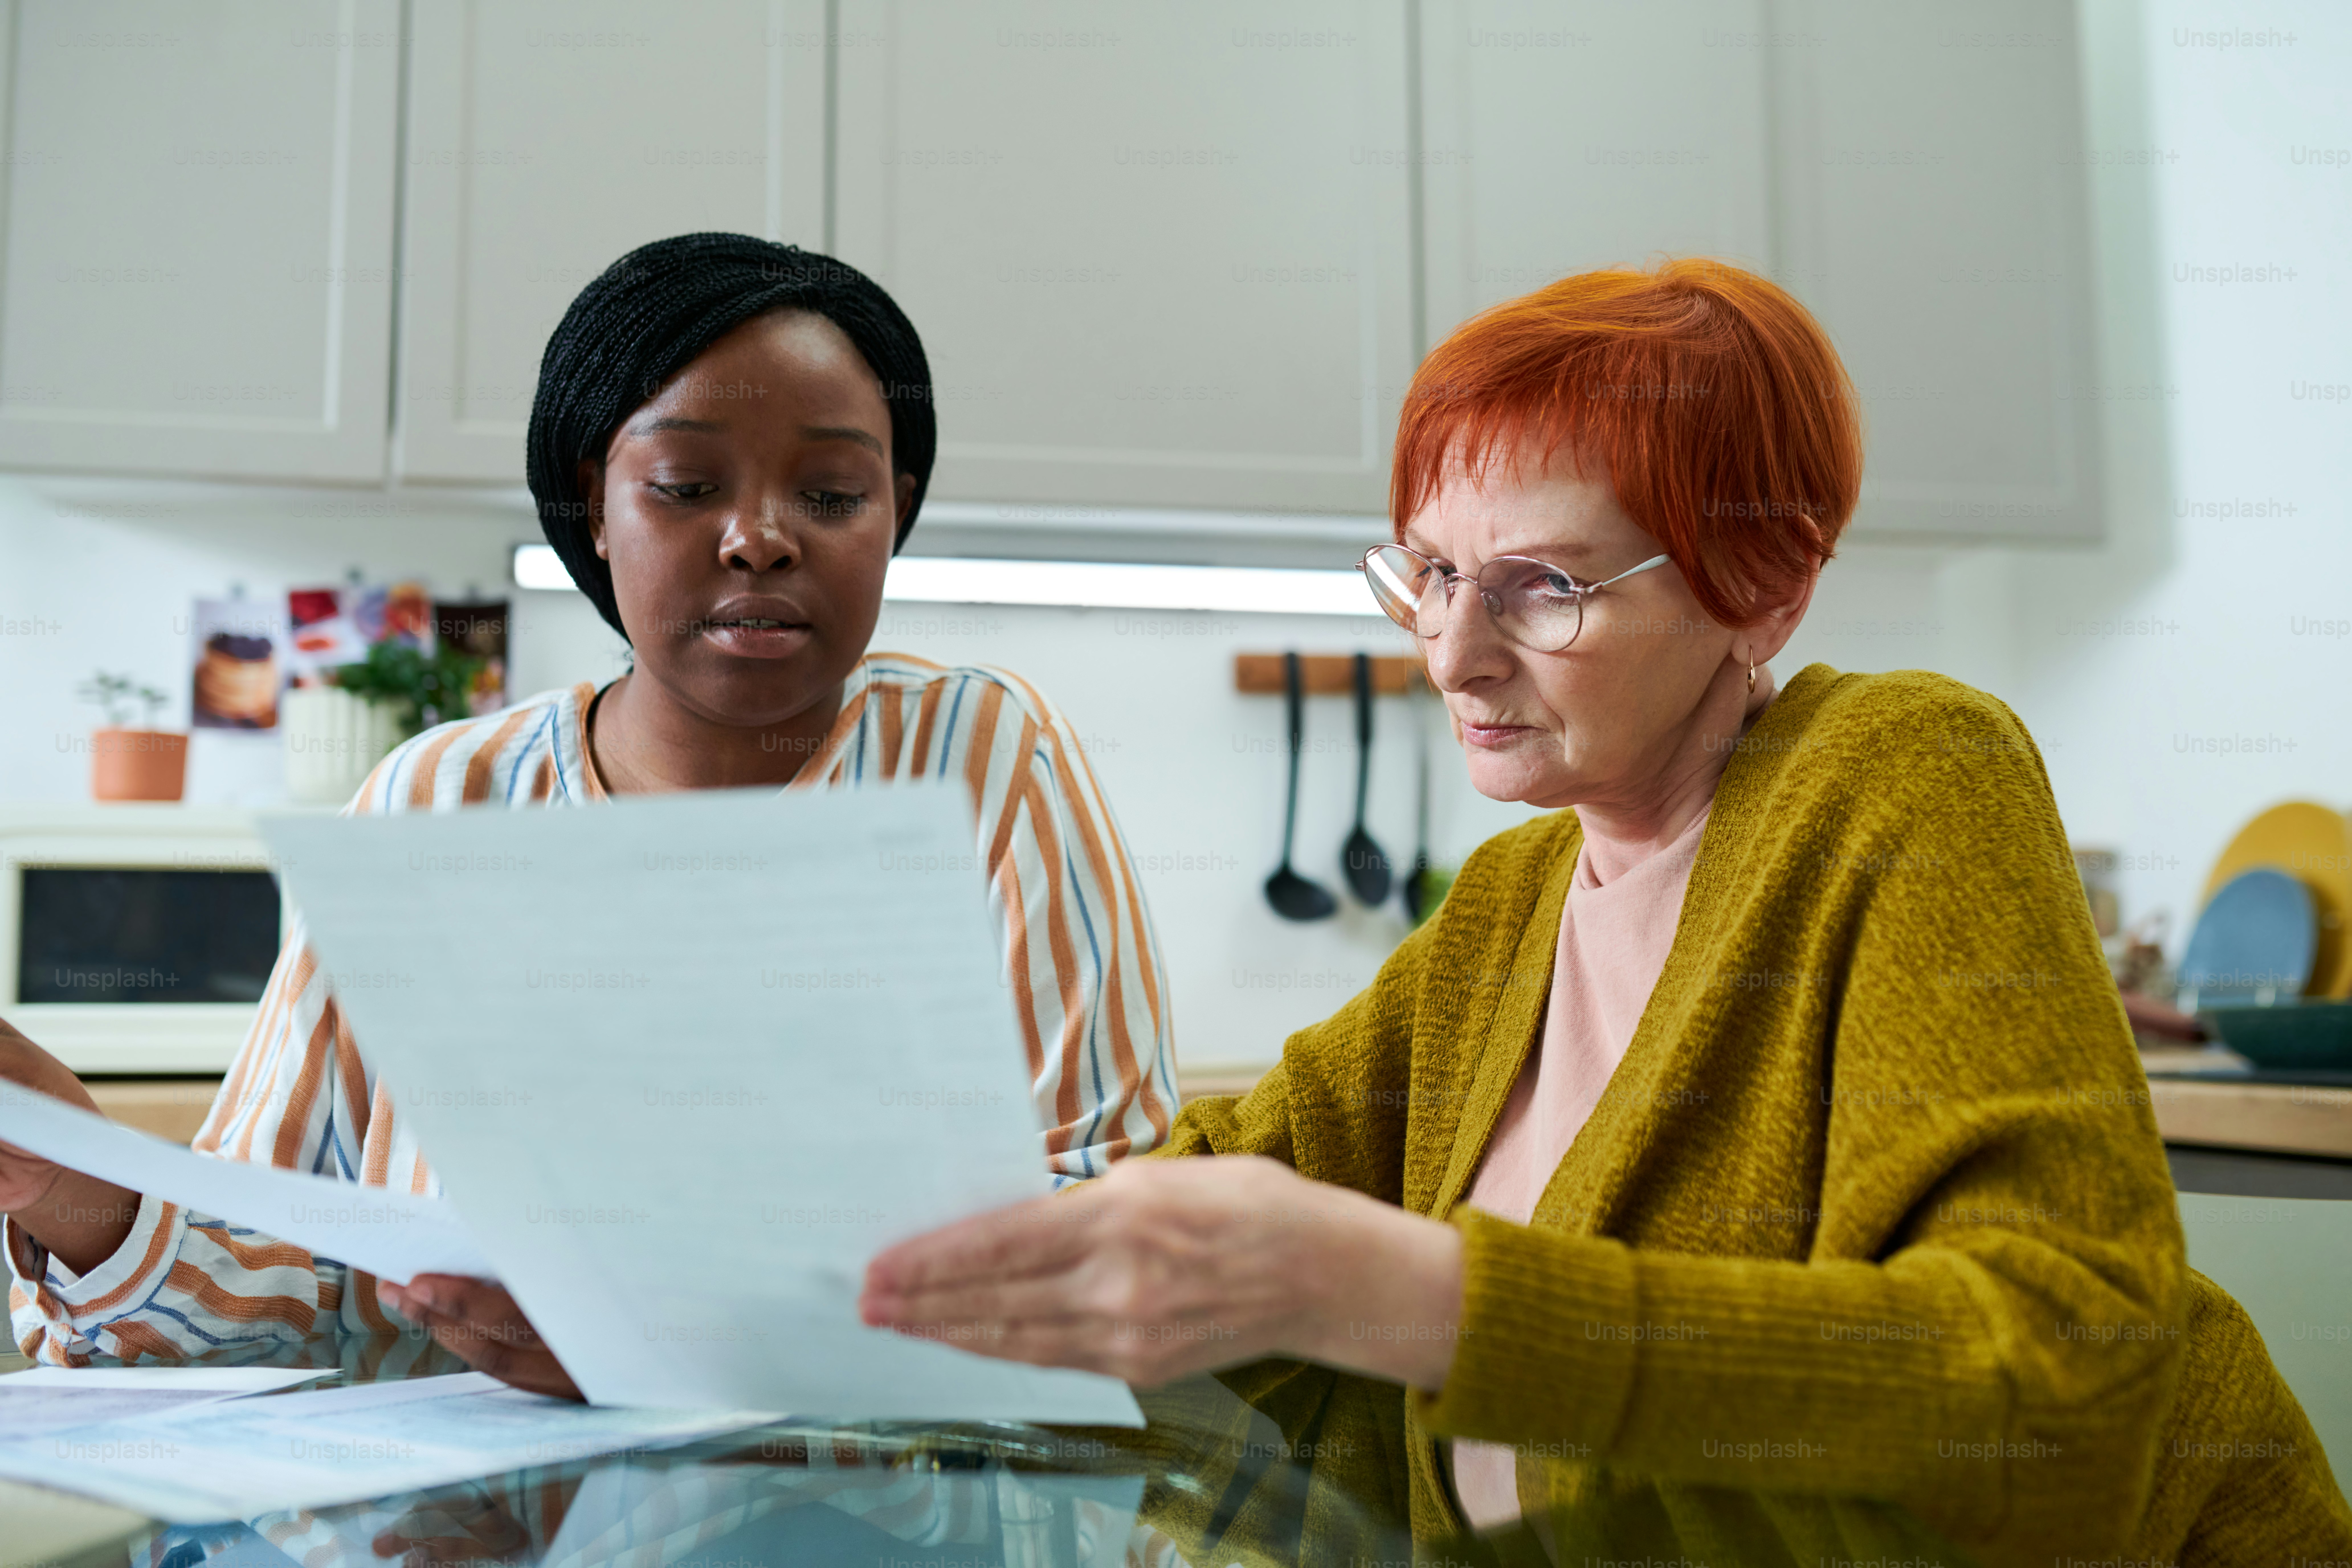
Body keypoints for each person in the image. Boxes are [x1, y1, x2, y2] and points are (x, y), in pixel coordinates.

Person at [858, 260, 2352, 1563]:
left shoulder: (1902, 779)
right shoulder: (1517, 898)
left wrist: (1411, 1296)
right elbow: (1203, 1192)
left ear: (1764, 591)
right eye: (1430, 574)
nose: (1450, 657)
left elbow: (2055, 1383)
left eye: (1542, 589)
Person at [1, 234, 1177, 1397]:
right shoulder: (431, 805)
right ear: (595, 506)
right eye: (684, 486)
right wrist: (72, 1184)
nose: (760, 535)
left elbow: (1117, 1228)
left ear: (893, 511)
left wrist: (698, 1340)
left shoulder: (979, 760)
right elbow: (287, 1284)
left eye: (831, 492)